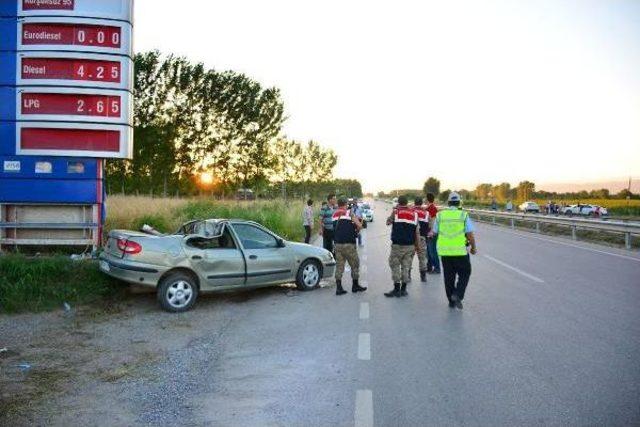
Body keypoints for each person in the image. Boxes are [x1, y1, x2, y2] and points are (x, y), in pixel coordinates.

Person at [430, 191, 477, 309]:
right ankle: (457, 294)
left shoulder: (440, 215)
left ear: (448, 203)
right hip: (460, 252)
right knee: (465, 272)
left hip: (445, 252)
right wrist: (473, 247)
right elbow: (470, 234)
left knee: (448, 277)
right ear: (459, 203)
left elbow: (434, 232)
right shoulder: (463, 215)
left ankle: (451, 301)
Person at [385, 195, 420, 297]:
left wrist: (393, 213)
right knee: (406, 266)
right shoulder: (414, 214)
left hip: (397, 246)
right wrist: (417, 246)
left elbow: (388, 222)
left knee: (394, 265)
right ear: (407, 202)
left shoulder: (396, 212)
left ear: (398, 203)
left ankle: (396, 289)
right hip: (410, 246)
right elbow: (417, 232)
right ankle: (403, 290)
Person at [332, 198, 367, 295]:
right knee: (355, 264)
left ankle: (339, 288)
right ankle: (355, 286)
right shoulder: (349, 213)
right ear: (346, 204)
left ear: (338, 204)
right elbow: (359, 225)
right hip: (349, 244)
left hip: (337, 244)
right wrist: (357, 230)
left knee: (339, 266)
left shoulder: (334, 214)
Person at [413, 197, 429, 283]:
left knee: (408, 258)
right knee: (422, 258)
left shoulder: (411, 211)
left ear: (415, 203)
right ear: (422, 203)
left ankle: (407, 276)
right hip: (422, 238)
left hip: (411, 238)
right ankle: (423, 276)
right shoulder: (426, 213)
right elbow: (429, 226)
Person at [425, 193, 440, 274]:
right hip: (431, 232)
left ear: (427, 199)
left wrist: (432, 232)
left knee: (432, 251)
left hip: (432, 233)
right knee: (428, 251)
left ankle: (437, 268)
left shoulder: (431, 208)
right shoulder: (431, 208)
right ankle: (429, 267)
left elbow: (433, 222)